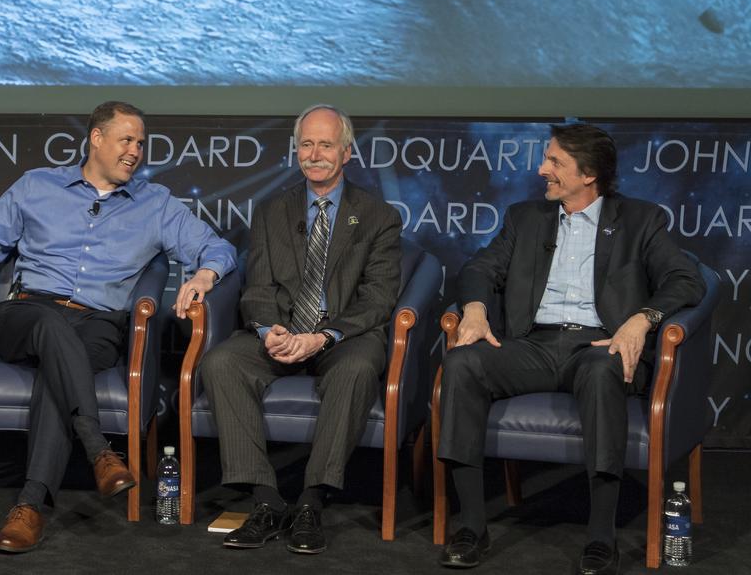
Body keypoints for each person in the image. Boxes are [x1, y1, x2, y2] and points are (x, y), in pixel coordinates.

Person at [0, 100, 236, 553]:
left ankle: (31, 506)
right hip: (25, 314)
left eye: (141, 144)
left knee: (59, 369)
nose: (135, 152)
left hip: (98, 324)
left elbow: (217, 248)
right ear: (97, 139)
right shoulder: (37, 186)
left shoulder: (155, 205)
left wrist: (205, 275)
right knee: (50, 326)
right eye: (126, 140)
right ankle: (98, 449)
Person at [436, 123, 704, 574]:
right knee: (462, 363)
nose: (542, 169)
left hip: (598, 345)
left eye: (555, 162)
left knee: (604, 370)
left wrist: (643, 319)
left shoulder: (640, 220)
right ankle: (472, 527)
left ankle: (601, 537)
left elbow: (687, 279)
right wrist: (477, 310)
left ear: (589, 174)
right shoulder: (526, 218)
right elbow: (479, 267)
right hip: (533, 346)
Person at [197, 104, 402, 554]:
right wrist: (270, 328)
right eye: (306, 144)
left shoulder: (378, 216)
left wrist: (324, 337)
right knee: (222, 361)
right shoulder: (272, 210)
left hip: (340, 338)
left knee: (358, 367)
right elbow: (258, 285)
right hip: (284, 331)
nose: (315, 154)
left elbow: (378, 299)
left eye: (325, 144)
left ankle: (311, 501)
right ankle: (266, 501)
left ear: (346, 152)